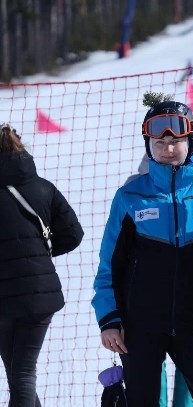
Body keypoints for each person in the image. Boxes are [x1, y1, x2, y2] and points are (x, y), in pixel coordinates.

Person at [92, 94, 193, 406]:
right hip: (139, 327)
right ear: (149, 146)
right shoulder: (129, 196)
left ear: (190, 142)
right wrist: (109, 318)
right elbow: (109, 266)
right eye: (159, 143)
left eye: (175, 142)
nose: (168, 150)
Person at [0, 124, 84, 406]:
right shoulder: (44, 187)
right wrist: (40, 254)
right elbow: (74, 234)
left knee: (20, 373)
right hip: (40, 292)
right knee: (21, 373)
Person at [124, 153, 193, 407]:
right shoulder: (131, 193)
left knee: (191, 368)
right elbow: (116, 257)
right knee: (150, 374)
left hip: (187, 301)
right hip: (145, 303)